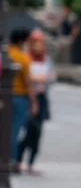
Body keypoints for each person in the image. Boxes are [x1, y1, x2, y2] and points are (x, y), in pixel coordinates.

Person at [18, 30, 53, 174]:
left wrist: (43, 79)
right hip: (29, 97)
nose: (38, 47)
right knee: (28, 130)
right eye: (35, 43)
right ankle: (18, 160)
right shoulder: (26, 58)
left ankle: (31, 163)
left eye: (41, 43)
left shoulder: (46, 59)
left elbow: (51, 77)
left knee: (38, 132)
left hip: (42, 96)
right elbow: (27, 78)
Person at [7, 29, 36, 173]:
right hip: (19, 97)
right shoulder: (22, 58)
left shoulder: (5, 53)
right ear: (21, 42)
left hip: (4, 96)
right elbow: (28, 83)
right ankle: (11, 160)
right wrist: (34, 102)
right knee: (13, 130)